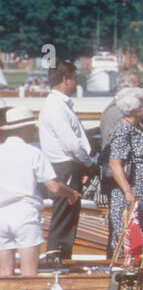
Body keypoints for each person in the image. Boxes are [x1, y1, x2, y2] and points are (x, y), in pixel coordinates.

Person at [0, 108, 79, 277]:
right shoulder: (33, 153)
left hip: (1, 215)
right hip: (25, 215)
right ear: (24, 129)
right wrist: (71, 193)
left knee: (4, 274)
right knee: (29, 274)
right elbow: (55, 187)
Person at [40, 61, 95, 261]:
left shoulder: (58, 105)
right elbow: (71, 144)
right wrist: (88, 163)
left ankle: (62, 256)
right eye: (75, 79)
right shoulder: (57, 107)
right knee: (64, 213)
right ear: (66, 80)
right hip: (65, 165)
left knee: (68, 214)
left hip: (66, 165)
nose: (76, 83)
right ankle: (56, 257)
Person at [105, 87, 143, 260]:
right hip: (132, 192)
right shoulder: (123, 130)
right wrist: (128, 192)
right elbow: (115, 162)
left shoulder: (136, 128)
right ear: (135, 109)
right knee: (133, 240)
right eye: (142, 105)